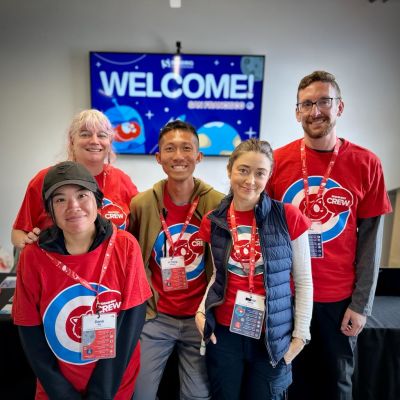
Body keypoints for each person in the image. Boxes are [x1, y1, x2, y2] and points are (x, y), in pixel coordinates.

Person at [267, 70, 392, 400]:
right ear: (297, 112)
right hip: (286, 298)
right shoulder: (276, 162)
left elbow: (370, 242)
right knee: (285, 385)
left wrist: (361, 305)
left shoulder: (367, 163)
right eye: (307, 104)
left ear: (340, 107)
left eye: (324, 101)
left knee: (335, 388)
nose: (315, 111)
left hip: (338, 303)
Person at [12, 161, 152, 399]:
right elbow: (29, 328)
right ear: (50, 209)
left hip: (113, 384)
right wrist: (61, 392)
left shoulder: (125, 246)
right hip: (56, 387)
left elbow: (131, 323)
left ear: (98, 201)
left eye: (81, 195)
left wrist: (101, 392)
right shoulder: (34, 256)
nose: (73, 207)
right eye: (60, 200)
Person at [195, 138, 313, 400]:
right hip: (225, 332)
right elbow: (217, 275)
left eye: (260, 173)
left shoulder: (288, 216)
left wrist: (300, 337)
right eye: (243, 170)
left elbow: (304, 281)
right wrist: (201, 313)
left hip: (272, 337)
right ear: (230, 170)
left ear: (269, 176)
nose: (250, 180)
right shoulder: (213, 220)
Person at [129, 120, 224, 400]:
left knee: (198, 396)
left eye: (186, 148)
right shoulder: (142, 205)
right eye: (170, 149)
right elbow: (133, 259)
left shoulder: (218, 204)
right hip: (156, 317)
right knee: (139, 394)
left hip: (199, 317)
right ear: (158, 158)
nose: (178, 156)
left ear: (199, 156)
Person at [11, 109, 138, 249]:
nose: (94, 141)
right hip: (57, 267)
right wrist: (28, 245)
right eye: (85, 134)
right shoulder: (45, 179)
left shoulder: (122, 180)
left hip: (111, 268)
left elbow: (138, 231)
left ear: (110, 142)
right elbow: (18, 233)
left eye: (102, 135)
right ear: (72, 141)